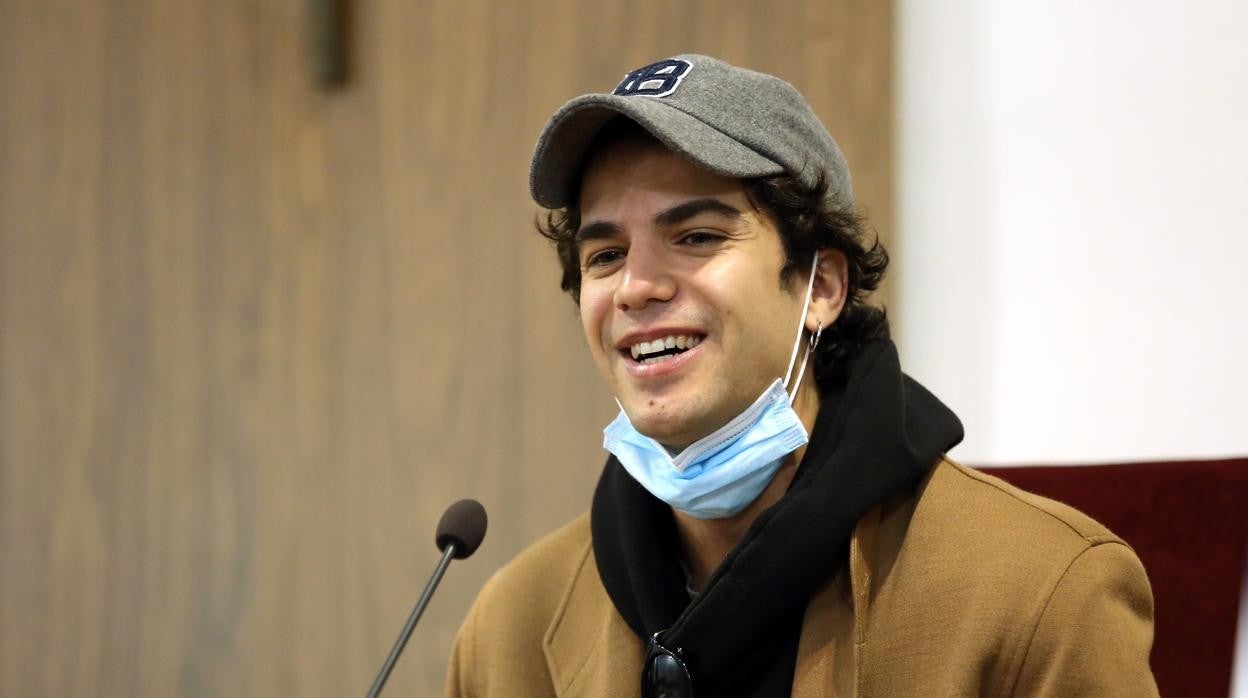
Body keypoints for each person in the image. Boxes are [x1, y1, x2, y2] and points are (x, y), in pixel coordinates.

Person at [445, 54, 1157, 697]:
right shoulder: (510, 632)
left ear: (821, 287)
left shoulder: (1041, 593)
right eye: (604, 255)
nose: (635, 287)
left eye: (696, 237)